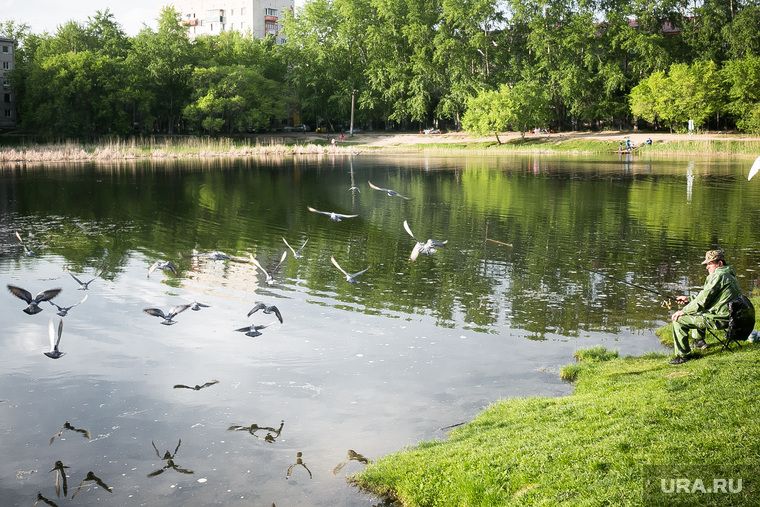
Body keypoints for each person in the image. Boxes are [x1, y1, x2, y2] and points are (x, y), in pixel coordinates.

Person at [669, 249, 741, 364]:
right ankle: (698, 342)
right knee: (696, 311)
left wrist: (683, 311)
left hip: (721, 319)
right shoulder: (728, 274)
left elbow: (702, 302)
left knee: (678, 320)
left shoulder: (718, 276)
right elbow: (706, 297)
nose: (707, 267)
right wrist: (688, 299)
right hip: (732, 317)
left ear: (720, 263)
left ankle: (683, 356)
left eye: (710, 264)